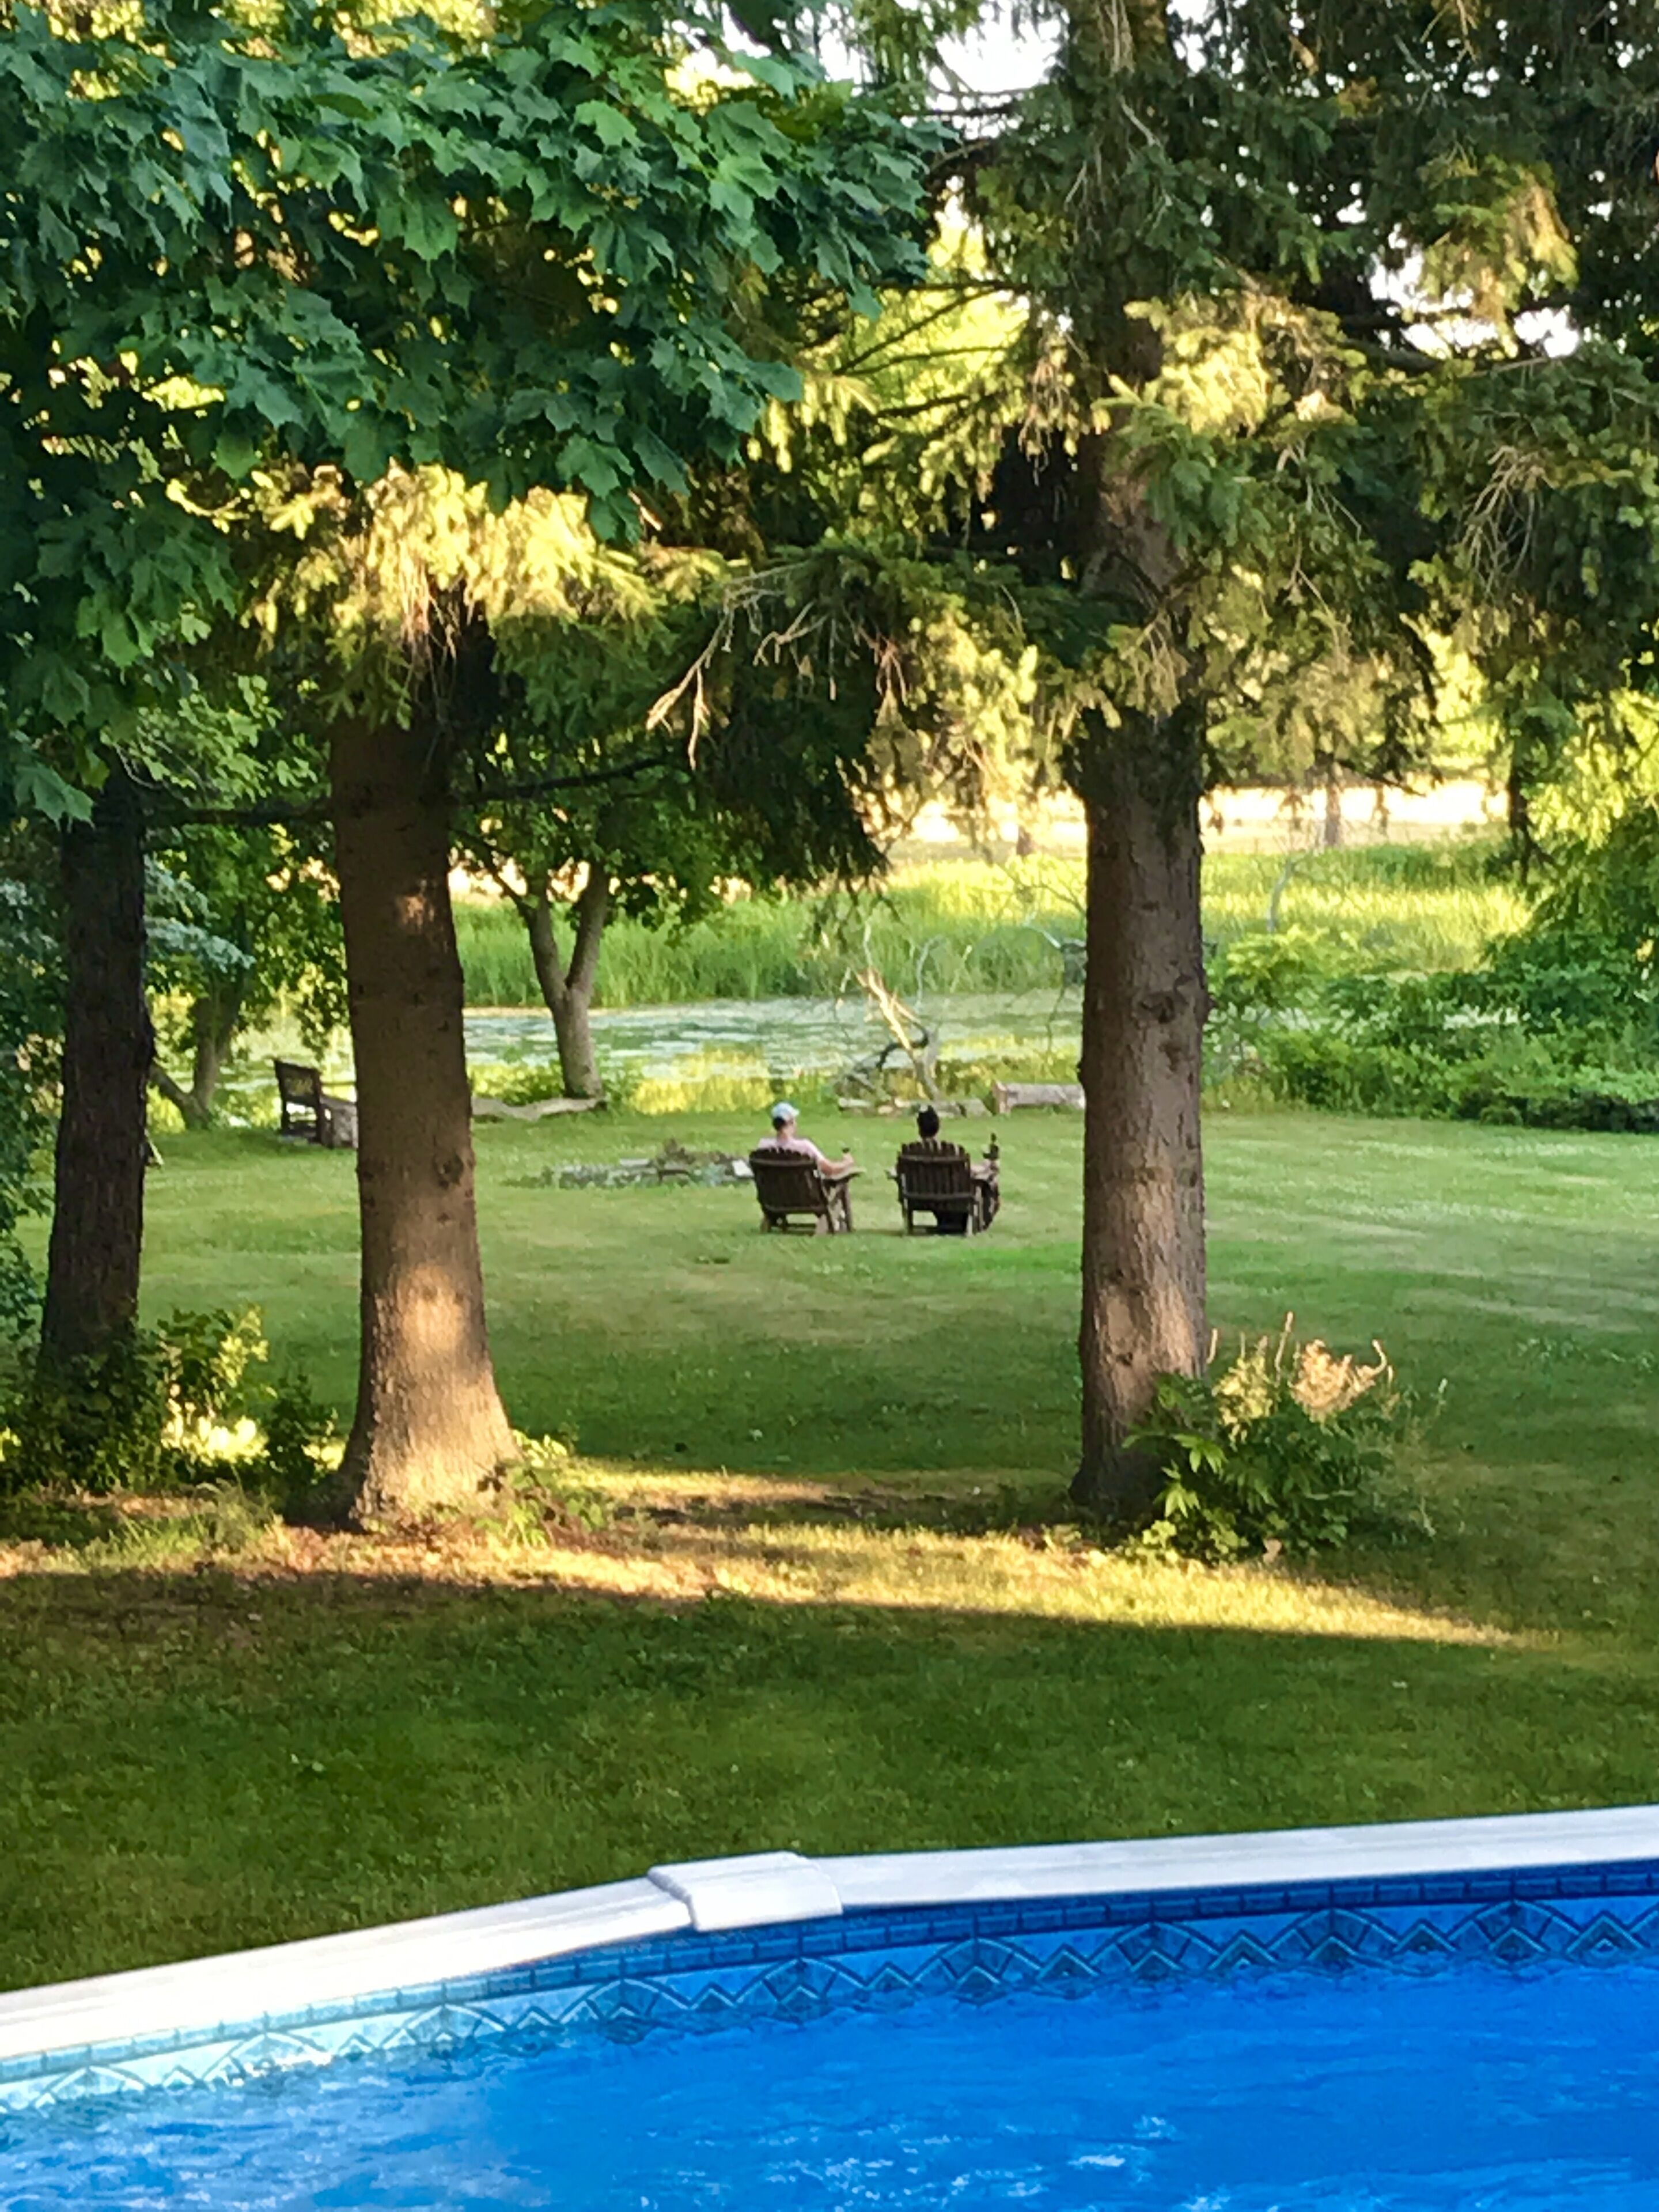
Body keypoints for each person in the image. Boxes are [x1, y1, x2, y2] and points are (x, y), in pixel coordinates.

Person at [898, 1104, 999, 1232]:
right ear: (938, 1127)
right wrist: (987, 1167)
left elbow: (899, 1173)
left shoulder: (910, 1153)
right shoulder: (954, 1151)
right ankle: (980, 1223)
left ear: (919, 1128)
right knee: (990, 1181)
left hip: (919, 1199)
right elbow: (965, 1173)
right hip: (954, 1199)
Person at [760, 1102, 854, 1174]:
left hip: (773, 1198)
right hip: (804, 1197)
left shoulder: (763, 1146)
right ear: (791, 1123)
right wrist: (847, 1163)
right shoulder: (804, 1147)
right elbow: (830, 1169)